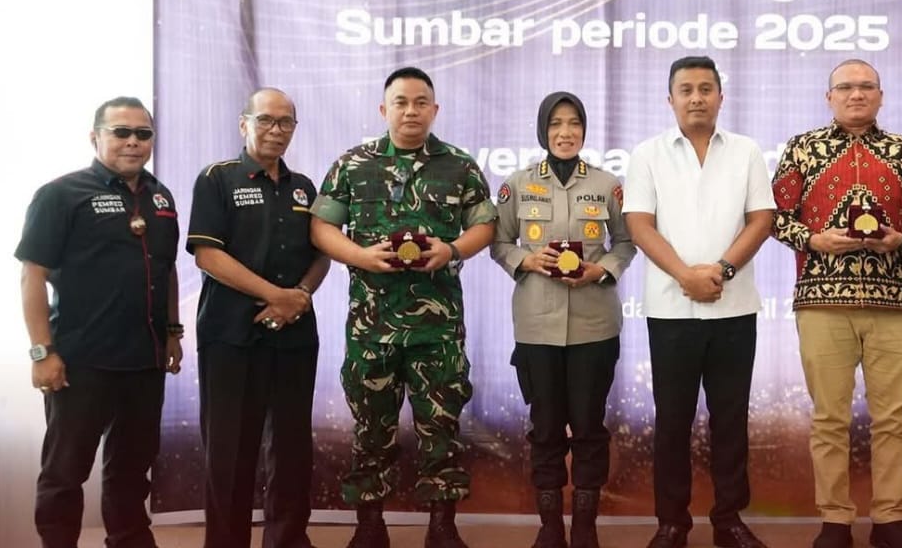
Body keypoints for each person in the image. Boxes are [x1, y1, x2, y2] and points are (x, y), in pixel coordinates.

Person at [310, 67, 497, 548]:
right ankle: (370, 524)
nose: (411, 111)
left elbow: (485, 225)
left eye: (420, 102)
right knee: (371, 427)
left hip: (438, 328)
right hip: (372, 325)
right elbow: (321, 227)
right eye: (401, 102)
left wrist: (452, 250)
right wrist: (360, 256)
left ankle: (442, 525)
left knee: (442, 426)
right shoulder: (353, 164)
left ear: (434, 109)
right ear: (384, 109)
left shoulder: (459, 165)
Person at [771, 60, 902, 548]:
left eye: (866, 86)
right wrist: (814, 239)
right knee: (830, 418)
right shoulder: (802, 148)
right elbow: (776, 217)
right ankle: (835, 520)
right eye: (845, 87)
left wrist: (901, 238)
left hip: (893, 303)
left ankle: (890, 519)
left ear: (881, 95)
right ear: (829, 97)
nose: (856, 94)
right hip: (821, 302)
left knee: (894, 419)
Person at [623, 56, 777, 548]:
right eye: (686, 89)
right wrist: (686, 276)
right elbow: (639, 224)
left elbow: (762, 219)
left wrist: (722, 270)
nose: (696, 98)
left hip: (734, 307)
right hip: (671, 311)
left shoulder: (746, 151)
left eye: (705, 89)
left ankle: (729, 519)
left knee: (730, 419)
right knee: (672, 421)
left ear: (720, 97)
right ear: (670, 99)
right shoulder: (647, 154)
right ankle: (672, 522)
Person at [16, 96, 182, 548]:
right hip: (80, 362)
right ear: (95, 137)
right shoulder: (60, 194)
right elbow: (32, 276)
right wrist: (42, 353)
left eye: (143, 133)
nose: (133, 142)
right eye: (120, 132)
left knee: (132, 471)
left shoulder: (161, 197)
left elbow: (166, 268)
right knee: (65, 472)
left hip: (144, 360)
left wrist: (172, 331)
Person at [186, 88, 331, 548]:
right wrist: (276, 296)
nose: (276, 130)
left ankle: (287, 539)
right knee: (230, 450)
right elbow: (208, 256)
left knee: (291, 448)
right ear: (244, 124)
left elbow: (322, 252)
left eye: (286, 122)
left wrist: (300, 295)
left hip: (294, 336)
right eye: (266, 120)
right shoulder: (217, 178)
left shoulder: (305, 187)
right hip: (231, 335)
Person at [491, 91, 636, 548]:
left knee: (590, 428)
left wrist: (601, 270)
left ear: (584, 131)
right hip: (537, 326)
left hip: (595, 326)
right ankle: (550, 526)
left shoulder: (607, 184)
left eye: (574, 123)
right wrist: (527, 260)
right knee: (546, 428)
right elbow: (499, 242)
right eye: (555, 124)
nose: (565, 132)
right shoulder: (517, 185)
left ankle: (586, 527)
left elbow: (626, 242)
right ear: (543, 130)